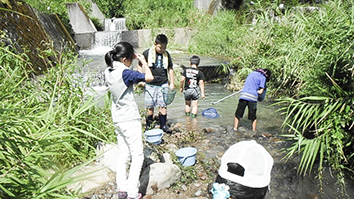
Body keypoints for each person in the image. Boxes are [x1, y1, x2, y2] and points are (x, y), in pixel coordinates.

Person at [104, 41, 153, 199]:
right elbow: (150, 77)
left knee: (123, 153)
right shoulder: (125, 73)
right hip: (129, 119)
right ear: (125, 59)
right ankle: (132, 193)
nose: (132, 61)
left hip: (117, 118)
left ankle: (122, 190)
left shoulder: (108, 71)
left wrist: (136, 63)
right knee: (137, 155)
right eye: (131, 58)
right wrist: (144, 62)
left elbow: (133, 80)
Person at [141, 34, 174, 133]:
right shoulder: (147, 53)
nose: (162, 49)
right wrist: (141, 79)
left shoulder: (166, 55)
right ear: (155, 44)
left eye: (164, 47)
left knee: (163, 105)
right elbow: (139, 65)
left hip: (163, 83)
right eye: (160, 47)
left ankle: (163, 126)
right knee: (150, 106)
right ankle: (148, 125)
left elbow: (170, 69)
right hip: (150, 84)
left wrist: (172, 82)